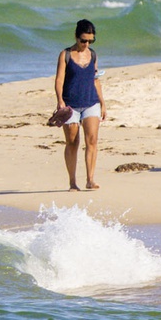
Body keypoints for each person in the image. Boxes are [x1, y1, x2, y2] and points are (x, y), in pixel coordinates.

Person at [52, 19, 106, 191]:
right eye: (83, 40)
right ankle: (72, 182)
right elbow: (59, 80)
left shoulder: (93, 55)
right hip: (71, 105)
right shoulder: (65, 55)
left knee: (92, 141)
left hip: (91, 102)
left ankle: (90, 180)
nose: (86, 44)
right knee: (72, 142)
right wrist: (60, 101)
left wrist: (103, 103)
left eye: (90, 40)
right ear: (76, 37)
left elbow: (95, 80)